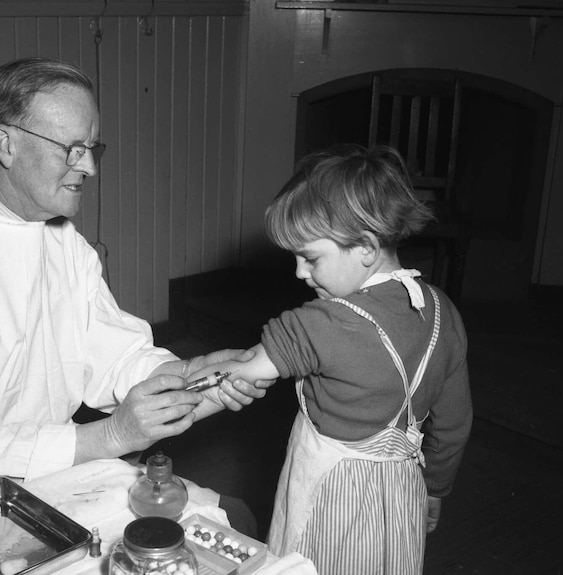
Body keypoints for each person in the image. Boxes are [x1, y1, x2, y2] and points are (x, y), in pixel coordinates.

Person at [0, 57, 266, 521]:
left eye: (91, 147)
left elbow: (113, 355)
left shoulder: (54, 234)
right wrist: (112, 437)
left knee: (231, 519)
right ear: (5, 143)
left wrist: (187, 374)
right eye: (71, 148)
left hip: (50, 467)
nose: (88, 167)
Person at [190, 144, 473, 573]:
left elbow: (245, 368)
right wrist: (435, 490)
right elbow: (454, 422)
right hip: (399, 496)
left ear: (365, 246)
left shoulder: (321, 323)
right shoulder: (443, 312)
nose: (299, 273)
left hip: (326, 496)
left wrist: (178, 390)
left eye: (311, 257)